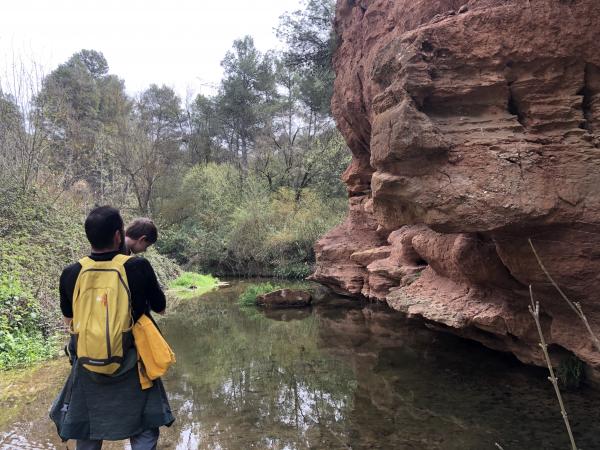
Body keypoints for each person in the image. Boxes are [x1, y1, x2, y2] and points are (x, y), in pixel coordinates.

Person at [50, 206, 174, 450]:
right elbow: (160, 307)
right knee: (145, 429)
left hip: (87, 365)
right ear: (119, 235)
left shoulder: (71, 272)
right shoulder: (137, 267)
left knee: (86, 427)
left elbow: (69, 320)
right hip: (133, 364)